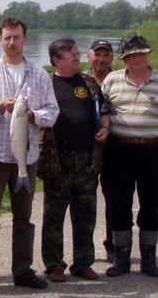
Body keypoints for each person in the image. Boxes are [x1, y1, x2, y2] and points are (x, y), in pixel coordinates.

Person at [0, 17, 59, 295]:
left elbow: (52, 113)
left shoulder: (40, 75)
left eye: (17, 37)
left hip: (26, 159)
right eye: (7, 37)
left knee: (24, 218)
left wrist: (32, 115)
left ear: (25, 39)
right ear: (0, 40)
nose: (12, 42)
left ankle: (22, 270)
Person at [101, 34, 158, 277]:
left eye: (142, 54)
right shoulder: (112, 80)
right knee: (119, 206)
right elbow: (101, 113)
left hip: (152, 151)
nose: (138, 58)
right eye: (132, 55)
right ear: (124, 58)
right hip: (119, 150)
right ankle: (121, 259)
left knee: (150, 206)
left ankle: (148, 260)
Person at [39, 39, 110, 282]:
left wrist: (105, 129)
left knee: (86, 215)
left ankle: (83, 263)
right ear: (56, 60)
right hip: (57, 162)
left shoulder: (89, 83)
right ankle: (54, 265)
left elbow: (104, 111)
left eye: (78, 53)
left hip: (86, 161)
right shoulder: (46, 84)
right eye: (72, 54)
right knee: (53, 217)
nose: (77, 57)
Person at [85, 38, 116, 260]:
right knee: (86, 201)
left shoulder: (121, 80)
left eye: (106, 55)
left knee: (114, 199)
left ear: (112, 57)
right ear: (89, 56)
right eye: (97, 54)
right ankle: (85, 250)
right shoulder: (80, 80)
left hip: (114, 148)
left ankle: (112, 244)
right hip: (86, 150)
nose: (101, 59)